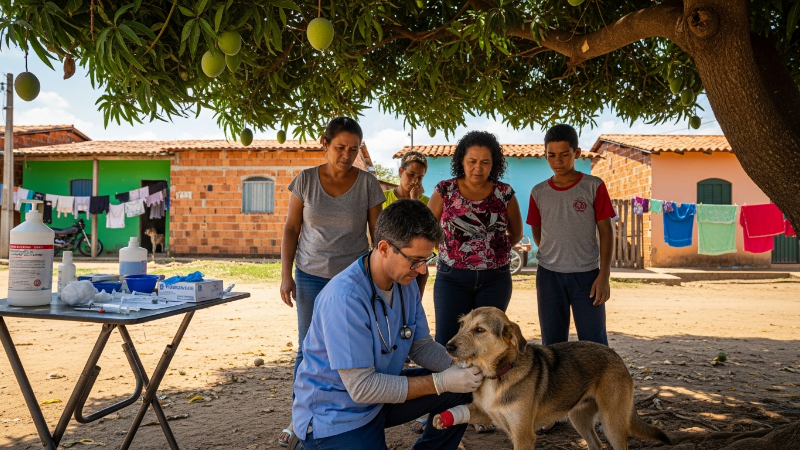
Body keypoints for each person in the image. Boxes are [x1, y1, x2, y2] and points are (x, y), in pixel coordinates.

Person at [290, 200, 482, 450]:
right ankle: (308, 444)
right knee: (450, 384)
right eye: (415, 260)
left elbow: (421, 346)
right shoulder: (344, 298)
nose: (422, 270)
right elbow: (362, 388)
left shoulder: (404, 282)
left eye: (427, 259)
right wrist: (441, 382)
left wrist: (466, 368)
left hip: (378, 398)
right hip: (337, 413)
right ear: (384, 248)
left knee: (465, 387)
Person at [278, 117, 385, 446]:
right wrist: (285, 275)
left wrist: (381, 278)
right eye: (340, 147)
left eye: (353, 149)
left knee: (355, 347)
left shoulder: (368, 184)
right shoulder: (305, 180)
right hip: (310, 275)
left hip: (354, 280)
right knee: (308, 348)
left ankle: (351, 412)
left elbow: (379, 235)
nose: (346, 155)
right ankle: (300, 418)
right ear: (324, 143)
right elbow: (291, 229)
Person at [427, 130, 523, 434]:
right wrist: (451, 252)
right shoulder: (445, 190)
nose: (478, 168)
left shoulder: (504, 193)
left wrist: (490, 252)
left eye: (485, 162)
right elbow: (428, 229)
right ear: (461, 161)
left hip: (495, 279)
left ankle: (479, 412)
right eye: (472, 161)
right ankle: (440, 408)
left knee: (484, 345)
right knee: (448, 343)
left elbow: (516, 233)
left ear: (494, 164)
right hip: (451, 279)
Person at [526, 124, 615, 433]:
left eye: (564, 154)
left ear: (577, 153)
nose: (558, 161)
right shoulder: (538, 192)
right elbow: (537, 232)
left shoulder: (593, 186)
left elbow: (606, 231)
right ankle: (553, 411)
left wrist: (603, 275)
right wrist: (553, 255)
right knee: (552, 347)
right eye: (551, 155)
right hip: (549, 277)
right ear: (545, 155)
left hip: (587, 276)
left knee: (595, 345)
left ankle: (605, 412)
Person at [383, 151, 432, 299]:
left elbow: (423, 234)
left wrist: (415, 201)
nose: (415, 181)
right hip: (388, 262)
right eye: (411, 175)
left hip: (415, 265)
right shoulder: (383, 198)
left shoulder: (426, 202)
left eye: (420, 177)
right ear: (400, 171)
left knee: (411, 304)